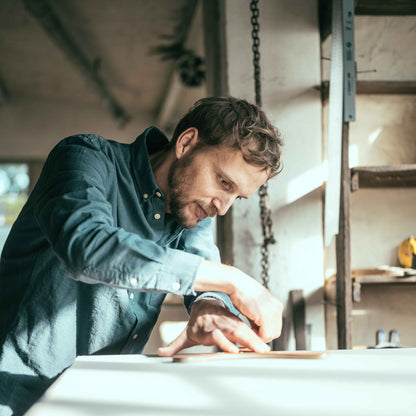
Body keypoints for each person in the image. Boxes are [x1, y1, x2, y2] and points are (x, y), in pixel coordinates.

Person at [0, 96, 284, 415]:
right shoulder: (84, 158)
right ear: (187, 142)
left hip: (94, 399)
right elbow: (87, 246)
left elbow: (204, 270)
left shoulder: (190, 211)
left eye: (236, 196)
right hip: (15, 393)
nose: (223, 206)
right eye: (223, 182)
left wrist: (211, 306)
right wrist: (234, 280)